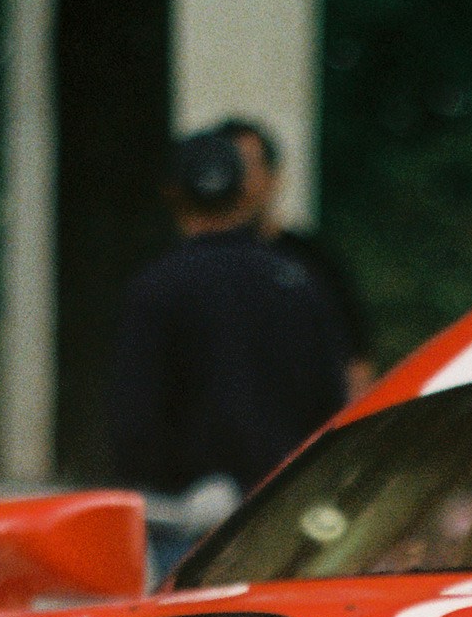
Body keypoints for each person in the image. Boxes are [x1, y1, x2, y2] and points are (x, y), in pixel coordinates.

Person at [104, 127, 352, 505]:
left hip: (184, 512)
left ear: (172, 194)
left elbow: (133, 418)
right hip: (282, 509)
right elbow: (331, 402)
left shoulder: (155, 287)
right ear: (246, 190)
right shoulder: (298, 283)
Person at [211, 117, 377, 397]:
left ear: (274, 177)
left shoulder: (313, 262)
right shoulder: (191, 270)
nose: (240, 182)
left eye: (249, 167)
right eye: (230, 168)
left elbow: (356, 365)